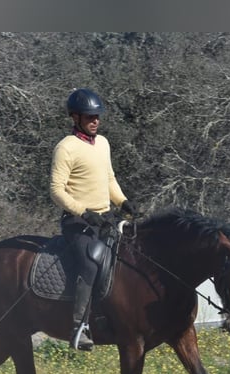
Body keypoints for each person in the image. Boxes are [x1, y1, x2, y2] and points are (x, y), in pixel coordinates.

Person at [50, 88, 136, 351]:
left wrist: (123, 202)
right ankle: (79, 327)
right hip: (78, 223)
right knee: (90, 263)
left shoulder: (103, 143)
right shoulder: (65, 148)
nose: (95, 120)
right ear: (75, 117)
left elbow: (109, 179)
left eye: (97, 116)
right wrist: (83, 212)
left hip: (105, 218)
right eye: (89, 116)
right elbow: (56, 189)